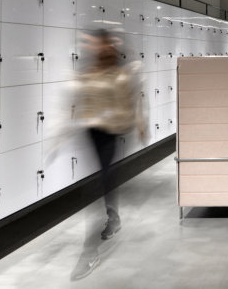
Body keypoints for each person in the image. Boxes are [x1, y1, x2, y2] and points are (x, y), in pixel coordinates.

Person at [71, 29, 145, 280]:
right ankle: (113, 217)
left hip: (110, 134)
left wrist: (140, 123)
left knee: (97, 184)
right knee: (103, 181)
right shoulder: (89, 71)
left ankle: (89, 252)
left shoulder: (120, 74)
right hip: (90, 132)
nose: (100, 48)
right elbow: (78, 98)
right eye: (97, 45)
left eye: (104, 45)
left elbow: (132, 100)